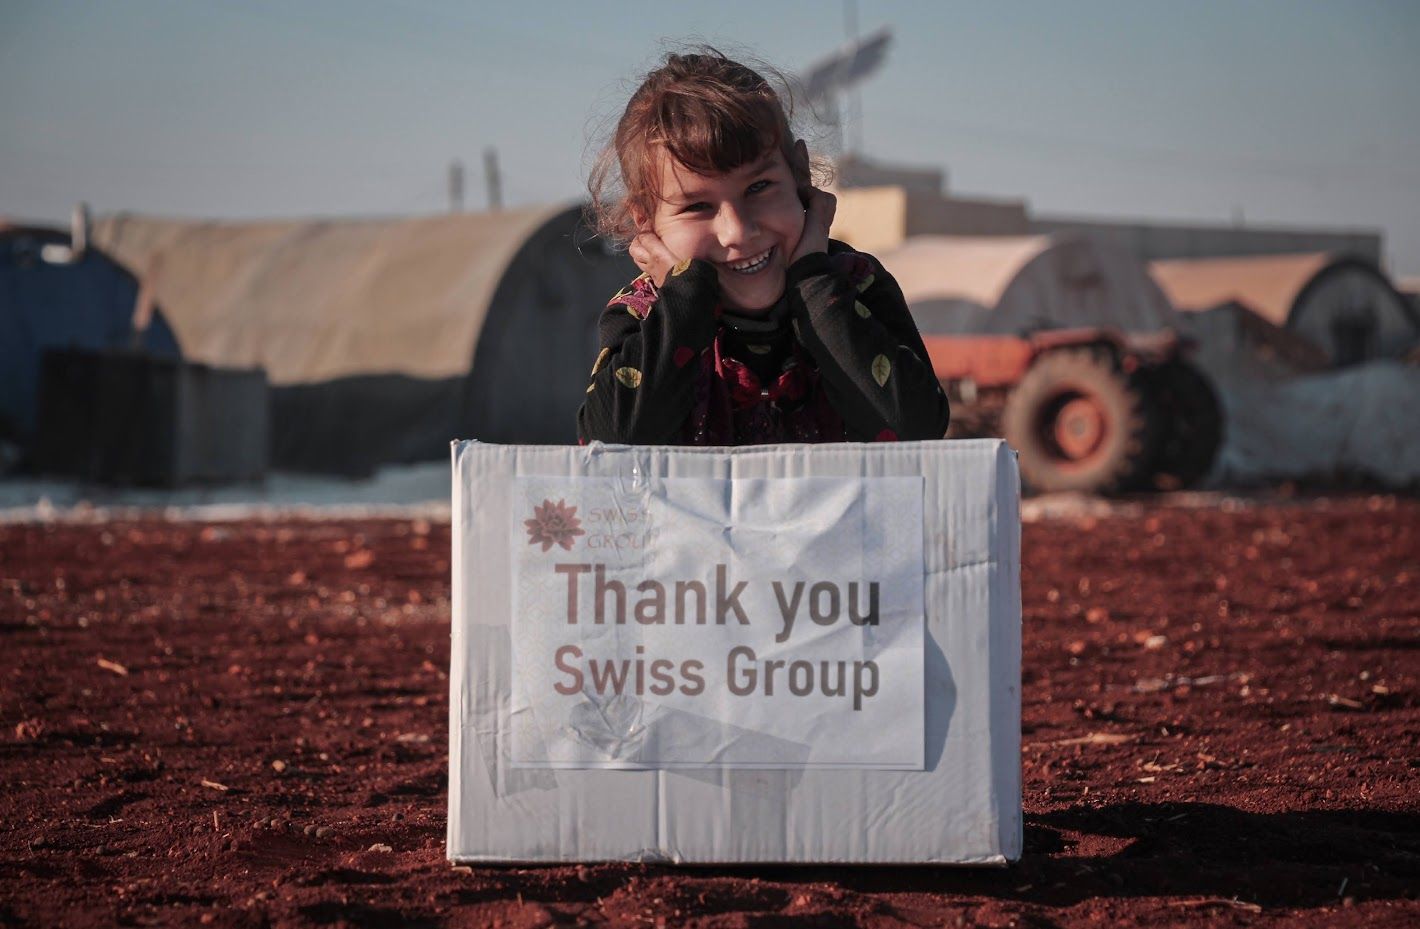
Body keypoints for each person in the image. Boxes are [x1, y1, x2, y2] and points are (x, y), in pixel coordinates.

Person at [578, 49, 949, 446]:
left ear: (799, 174)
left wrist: (813, 281)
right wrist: (684, 298)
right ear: (645, 221)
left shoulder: (854, 283)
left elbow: (918, 429)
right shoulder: (644, 312)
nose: (738, 231)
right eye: (697, 206)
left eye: (758, 188)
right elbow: (610, 443)